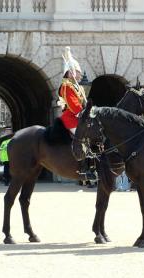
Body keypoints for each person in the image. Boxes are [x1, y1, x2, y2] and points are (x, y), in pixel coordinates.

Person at [58, 46, 96, 181]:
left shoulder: (77, 86)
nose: (79, 75)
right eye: (77, 72)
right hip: (70, 117)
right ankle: (83, 167)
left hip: (78, 116)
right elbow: (73, 104)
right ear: (70, 73)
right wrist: (82, 112)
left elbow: (82, 103)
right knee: (83, 135)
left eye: (79, 73)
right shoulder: (66, 86)